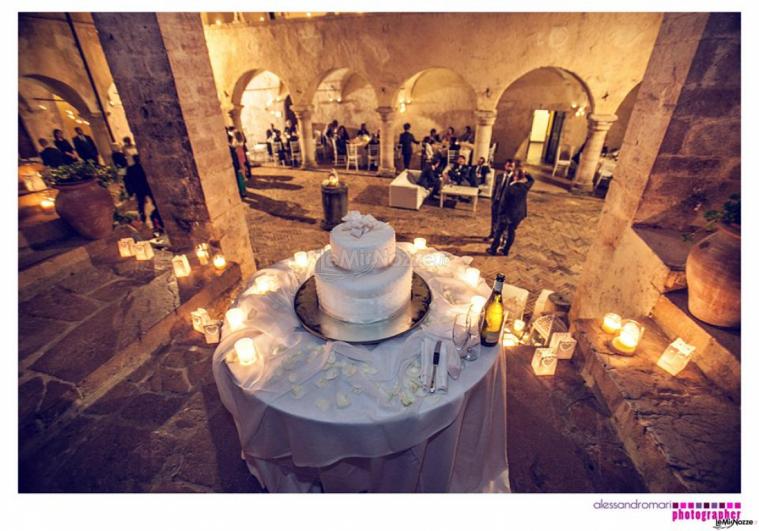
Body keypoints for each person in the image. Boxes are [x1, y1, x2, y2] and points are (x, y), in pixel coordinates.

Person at [487, 168, 534, 256]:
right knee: (511, 231)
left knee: (499, 231)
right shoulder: (525, 186)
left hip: (507, 214)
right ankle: (505, 250)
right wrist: (526, 173)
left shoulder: (510, 188)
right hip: (519, 214)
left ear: (515, 177)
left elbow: (503, 203)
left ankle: (493, 249)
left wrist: (500, 214)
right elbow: (532, 180)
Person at [124, 155, 162, 230]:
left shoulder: (131, 169)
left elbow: (128, 181)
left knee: (141, 205)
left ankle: (145, 220)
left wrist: (131, 192)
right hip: (147, 187)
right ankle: (158, 220)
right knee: (155, 204)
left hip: (139, 189)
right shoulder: (145, 168)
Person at [486, 159, 516, 240]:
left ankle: (503, 237)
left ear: (514, 168)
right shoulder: (499, 176)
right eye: (508, 166)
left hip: (506, 205)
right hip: (497, 201)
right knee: (494, 219)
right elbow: (495, 188)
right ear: (505, 166)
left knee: (504, 222)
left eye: (511, 166)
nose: (509, 168)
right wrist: (493, 199)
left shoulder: (514, 179)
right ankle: (492, 234)